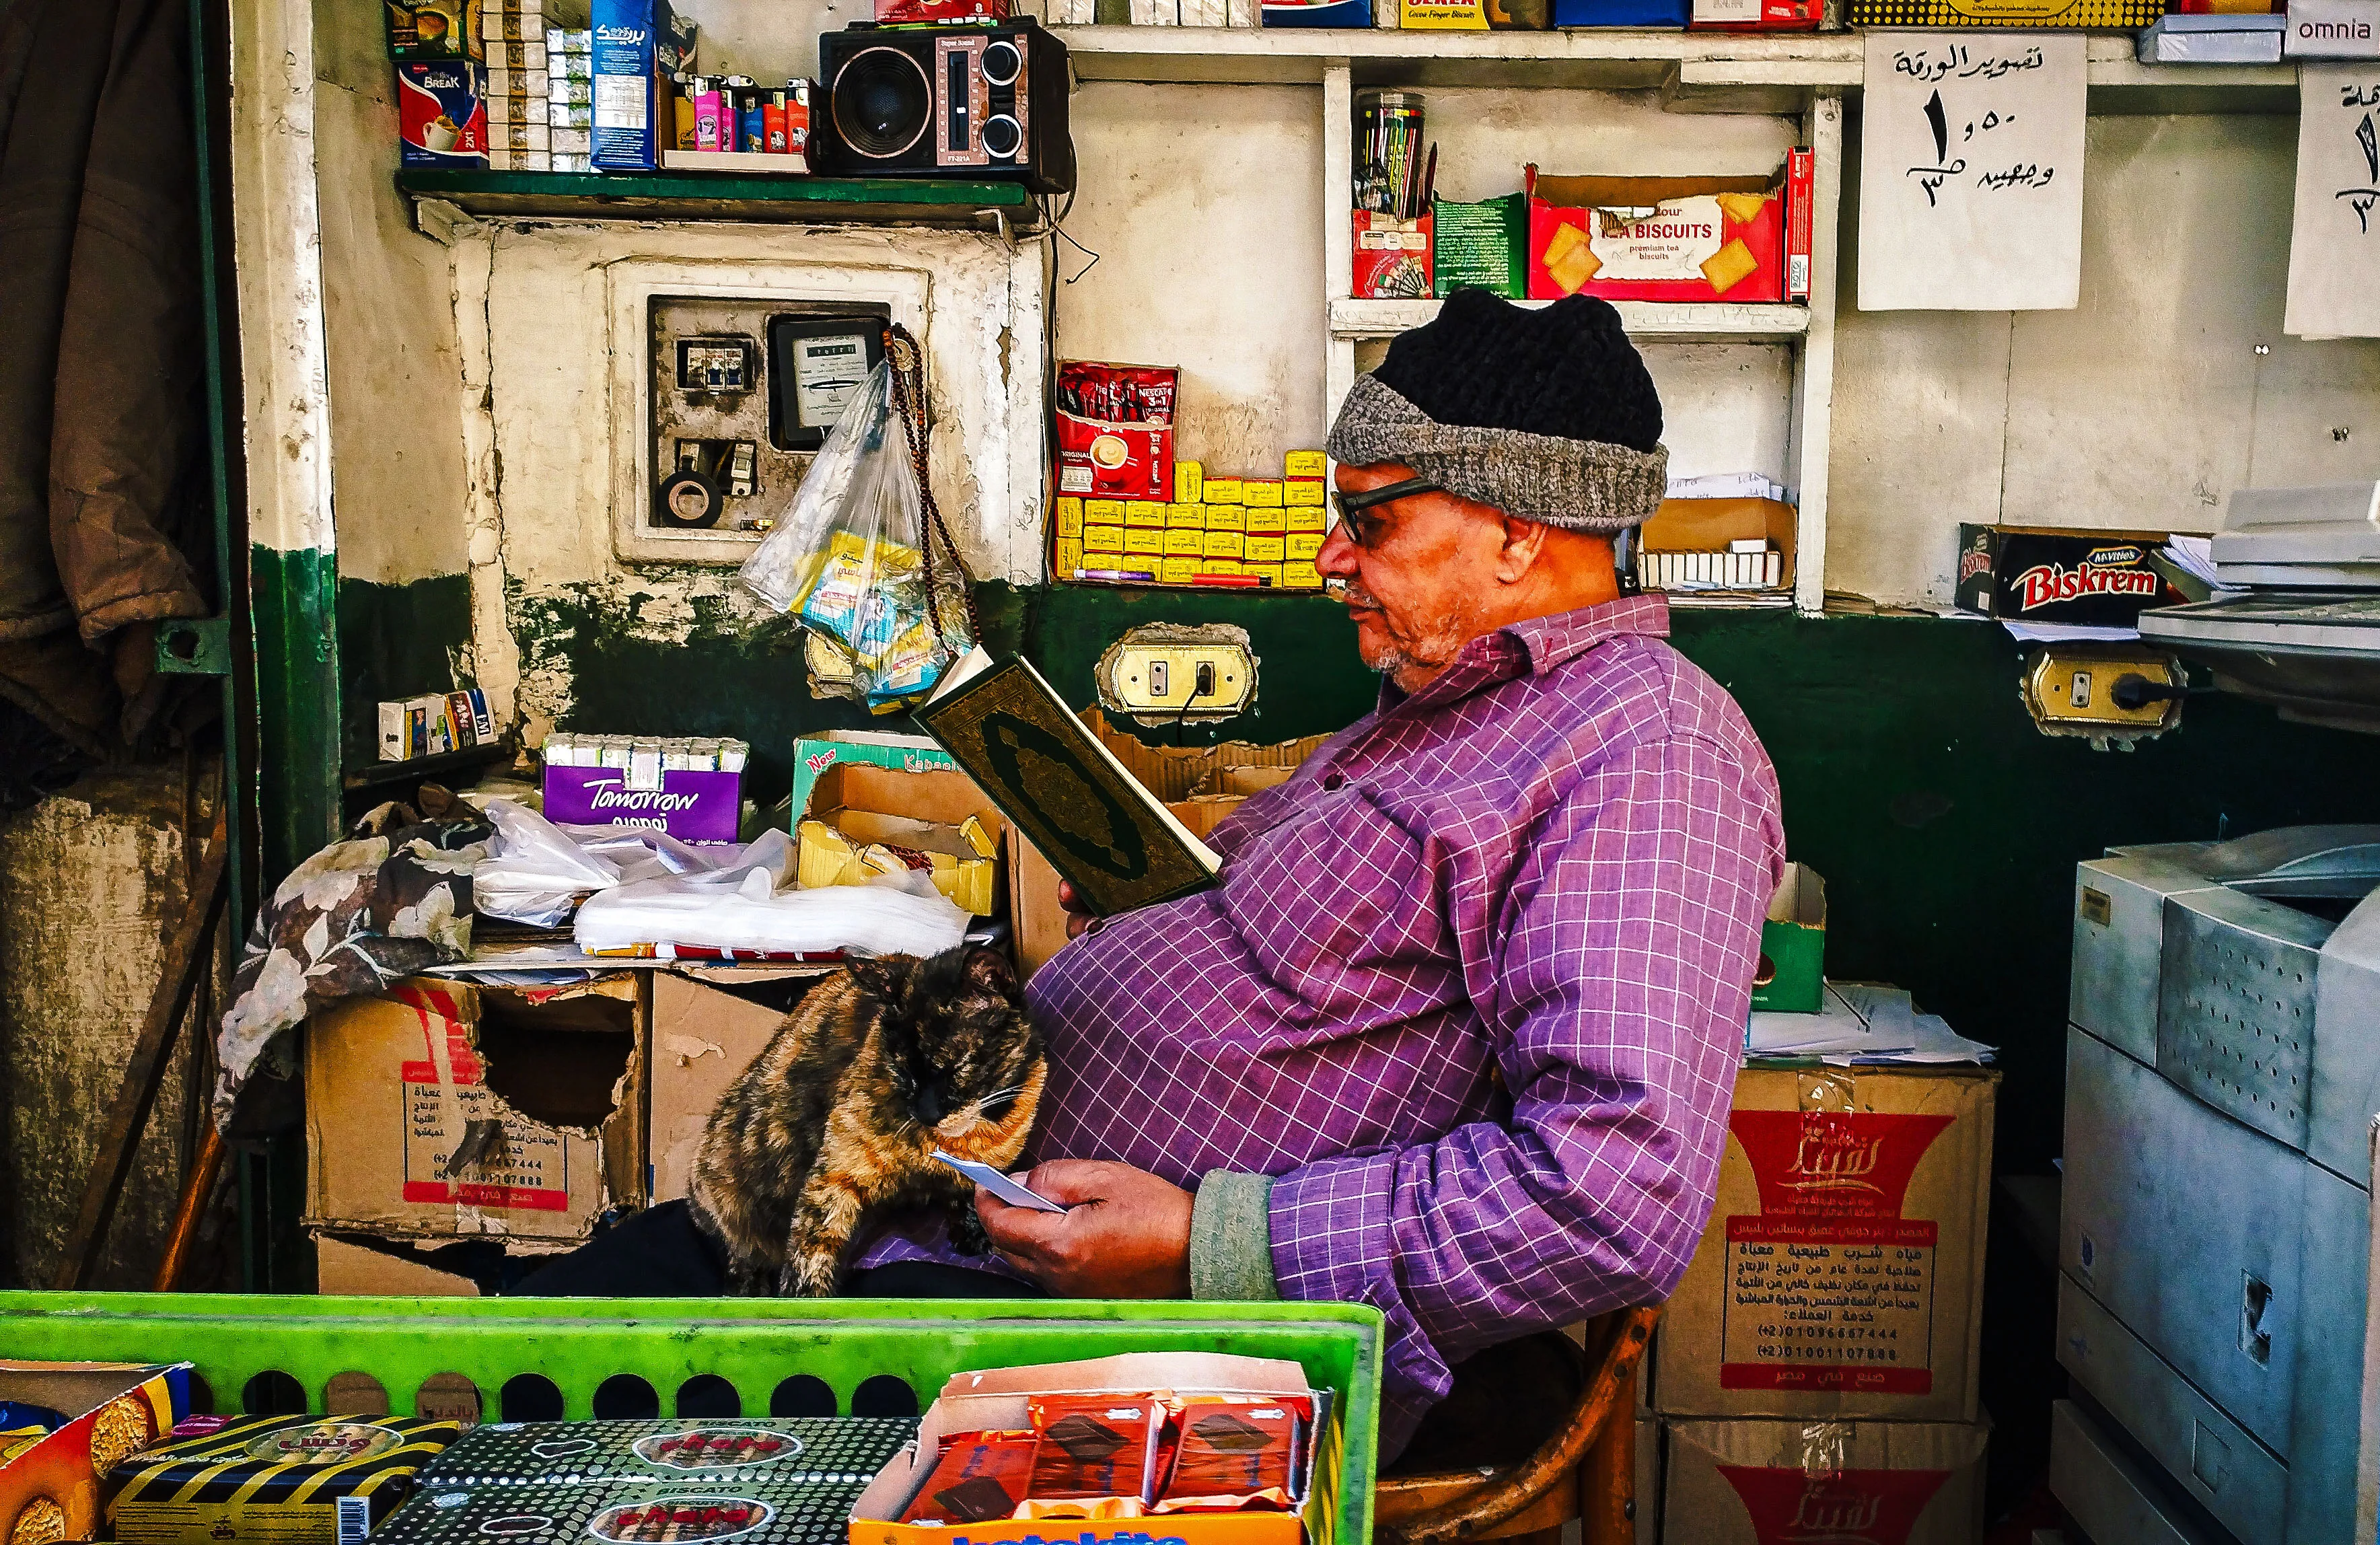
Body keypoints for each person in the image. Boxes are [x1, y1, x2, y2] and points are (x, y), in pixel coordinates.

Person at [524, 289, 1787, 1467]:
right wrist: (1143, 885)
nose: (1332, 562)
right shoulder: (1429, 713)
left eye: (1375, 522)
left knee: (583, 1406)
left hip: (1169, 1351)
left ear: (1519, 530)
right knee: (578, 1314)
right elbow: (1311, 956)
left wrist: (1205, 1237)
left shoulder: (1644, 754)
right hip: (986, 1237)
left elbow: (1611, 1194)